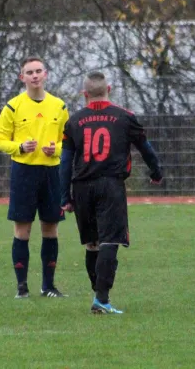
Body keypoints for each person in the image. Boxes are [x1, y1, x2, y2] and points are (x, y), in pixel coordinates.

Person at [60, 71, 163, 314]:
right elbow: (145, 148)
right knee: (110, 240)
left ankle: (99, 292)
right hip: (110, 185)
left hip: (82, 186)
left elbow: (65, 162)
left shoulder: (74, 121)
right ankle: (102, 299)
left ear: (84, 94)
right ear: (110, 89)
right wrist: (156, 171)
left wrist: (64, 196)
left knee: (92, 244)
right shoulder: (125, 117)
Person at [0, 56, 70, 298]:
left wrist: (56, 150)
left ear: (46, 74)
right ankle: (22, 287)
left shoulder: (59, 106)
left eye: (38, 71)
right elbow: (0, 141)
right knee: (22, 231)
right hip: (24, 173)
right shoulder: (12, 106)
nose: (35, 75)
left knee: (51, 229)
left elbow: (67, 142)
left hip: (52, 173)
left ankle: (48, 286)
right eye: (30, 72)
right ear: (22, 77)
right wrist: (19, 147)